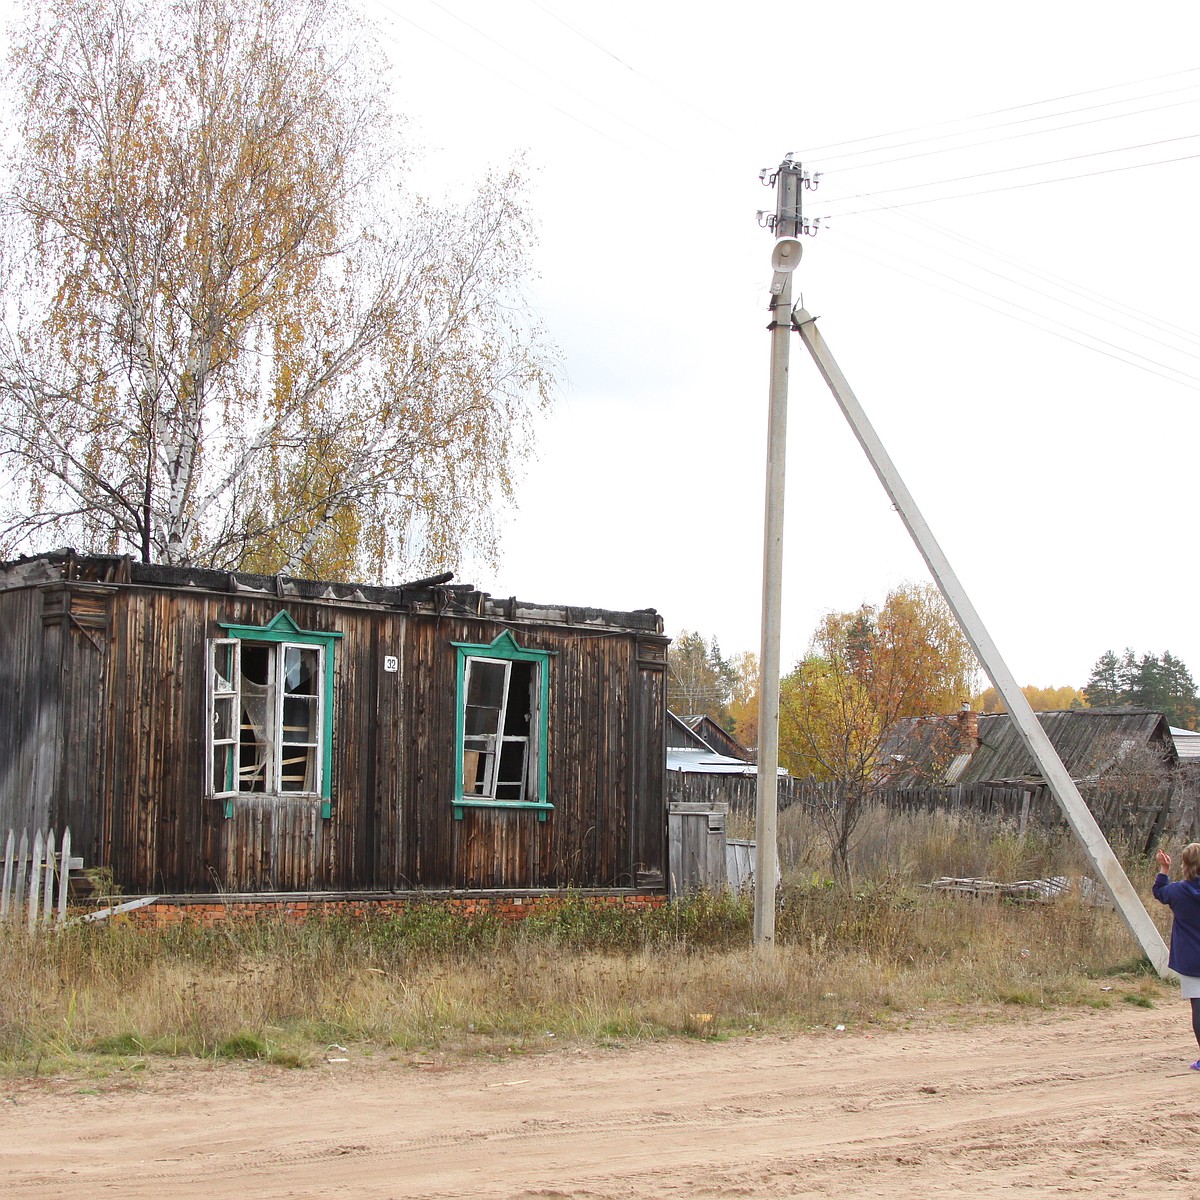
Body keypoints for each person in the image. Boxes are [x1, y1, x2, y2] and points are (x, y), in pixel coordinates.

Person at [1153, 843, 1200, 1070]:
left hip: (1191, 958)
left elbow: (1159, 892)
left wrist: (1164, 870)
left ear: (1184, 864)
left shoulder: (1178, 891)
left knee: (1198, 1008)